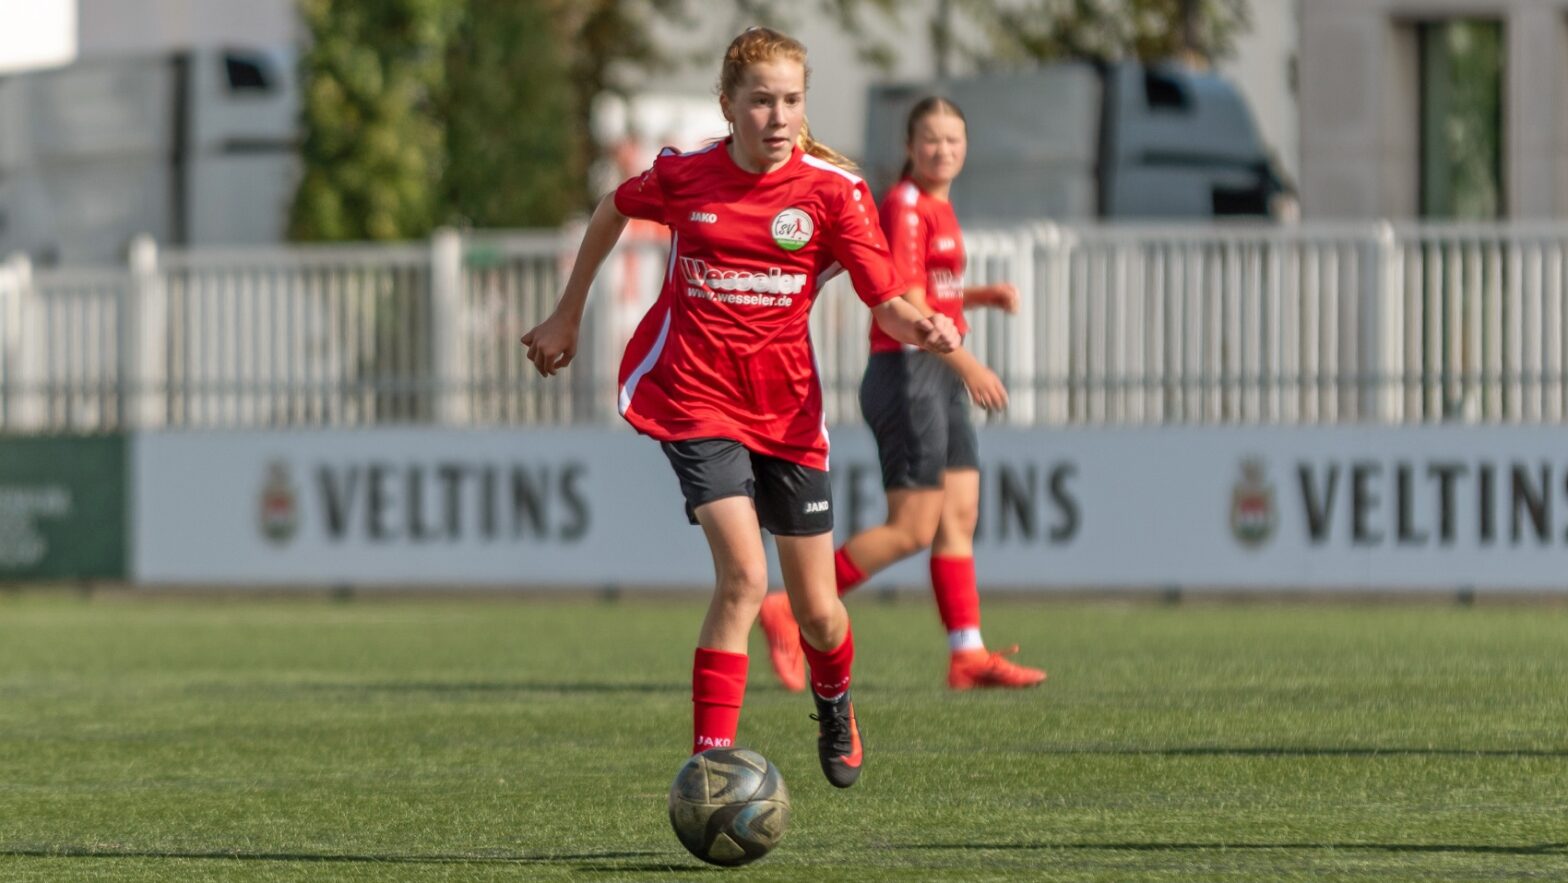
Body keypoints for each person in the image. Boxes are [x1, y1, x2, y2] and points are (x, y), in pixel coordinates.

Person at [521, 28, 962, 789]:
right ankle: (710, 766)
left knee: (821, 613)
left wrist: (917, 324)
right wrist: (568, 314)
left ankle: (834, 701)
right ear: (727, 106)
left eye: (792, 99)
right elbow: (610, 210)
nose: (779, 115)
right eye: (761, 100)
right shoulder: (687, 177)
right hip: (695, 399)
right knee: (743, 579)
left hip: (788, 412)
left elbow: (884, 300)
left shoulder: (834, 192)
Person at [757, 96, 1048, 692]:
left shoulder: (938, 206)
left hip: (935, 370)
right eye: (932, 140)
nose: (944, 150)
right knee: (914, 526)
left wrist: (981, 297)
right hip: (910, 371)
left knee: (958, 516)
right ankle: (790, 605)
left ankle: (966, 654)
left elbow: (932, 290)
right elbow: (905, 301)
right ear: (910, 147)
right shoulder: (906, 205)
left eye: (954, 140)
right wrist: (967, 365)